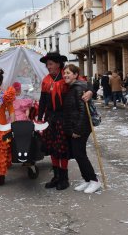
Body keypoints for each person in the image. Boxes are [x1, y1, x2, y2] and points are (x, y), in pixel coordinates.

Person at [38, 52, 93, 190]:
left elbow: (86, 85)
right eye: (47, 64)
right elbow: (43, 100)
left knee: (62, 149)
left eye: (50, 64)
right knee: (52, 149)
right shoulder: (45, 80)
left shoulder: (66, 76)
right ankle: (56, 176)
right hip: (50, 118)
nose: (48, 66)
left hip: (64, 118)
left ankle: (64, 178)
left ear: (58, 64)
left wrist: (90, 92)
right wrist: (40, 118)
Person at [62, 64, 101, 194]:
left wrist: (77, 131)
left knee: (80, 155)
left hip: (80, 128)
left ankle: (94, 181)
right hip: (75, 127)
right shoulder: (72, 88)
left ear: (75, 75)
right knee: (79, 155)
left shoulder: (78, 88)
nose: (66, 75)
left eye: (68, 73)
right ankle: (87, 179)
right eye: (64, 73)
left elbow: (83, 112)